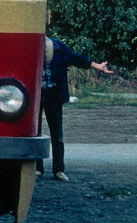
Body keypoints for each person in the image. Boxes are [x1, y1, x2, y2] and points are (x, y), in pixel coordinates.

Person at [41, 32, 113, 181]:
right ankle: (37, 168)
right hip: (35, 96)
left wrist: (97, 66)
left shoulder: (58, 47)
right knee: (33, 133)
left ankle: (58, 170)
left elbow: (76, 59)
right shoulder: (29, 47)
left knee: (57, 135)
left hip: (54, 95)